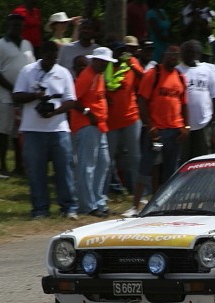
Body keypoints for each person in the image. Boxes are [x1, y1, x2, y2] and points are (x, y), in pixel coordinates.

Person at [13, 40, 77, 219]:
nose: (51, 60)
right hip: (33, 129)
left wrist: (55, 112)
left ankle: (69, 207)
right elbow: (16, 95)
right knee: (36, 171)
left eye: (54, 57)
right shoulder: (27, 71)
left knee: (64, 169)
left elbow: (71, 101)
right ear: (42, 54)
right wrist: (36, 96)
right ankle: (40, 209)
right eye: (48, 57)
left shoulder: (63, 73)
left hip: (58, 129)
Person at [126, 45, 190, 216]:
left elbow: (184, 104)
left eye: (176, 56)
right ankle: (135, 207)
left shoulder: (180, 77)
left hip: (175, 131)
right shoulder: (153, 74)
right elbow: (141, 101)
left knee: (170, 171)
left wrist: (186, 126)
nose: (173, 58)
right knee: (145, 167)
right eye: (170, 55)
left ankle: (166, 206)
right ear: (164, 55)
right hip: (156, 132)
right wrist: (150, 126)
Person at [70, 46, 116, 218]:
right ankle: (87, 205)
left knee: (104, 162)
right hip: (87, 125)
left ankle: (98, 200)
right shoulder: (87, 75)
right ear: (95, 60)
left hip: (100, 126)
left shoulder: (99, 75)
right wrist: (89, 114)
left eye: (107, 62)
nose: (105, 65)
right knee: (87, 165)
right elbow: (74, 100)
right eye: (103, 62)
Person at [0, 13, 35, 175]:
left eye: (20, 25)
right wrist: (13, 89)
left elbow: (33, 68)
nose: (18, 27)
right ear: (9, 26)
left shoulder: (27, 44)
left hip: (24, 97)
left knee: (18, 133)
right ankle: (2, 165)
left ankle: (19, 165)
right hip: (5, 96)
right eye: (14, 24)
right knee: (3, 131)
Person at [106, 42, 144, 195]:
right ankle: (103, 194)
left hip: (131, 118)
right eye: (118, 52)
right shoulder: (106, 65)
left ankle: (139, 192)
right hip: (111, 121)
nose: (121, 54)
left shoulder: (131, 62)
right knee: (107, 159)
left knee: (135, 157)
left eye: (124, 52)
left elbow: (145, 79)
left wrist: (131, 65)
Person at [176, 39, 215, 163]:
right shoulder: (176, 71)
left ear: (198, 54)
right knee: (182, 160)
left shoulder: (209, 69)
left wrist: (213, 119)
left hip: (204, 124)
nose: (190, 55)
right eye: (186, 52)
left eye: (193, 52)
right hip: (181, 126)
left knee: (202, 160)